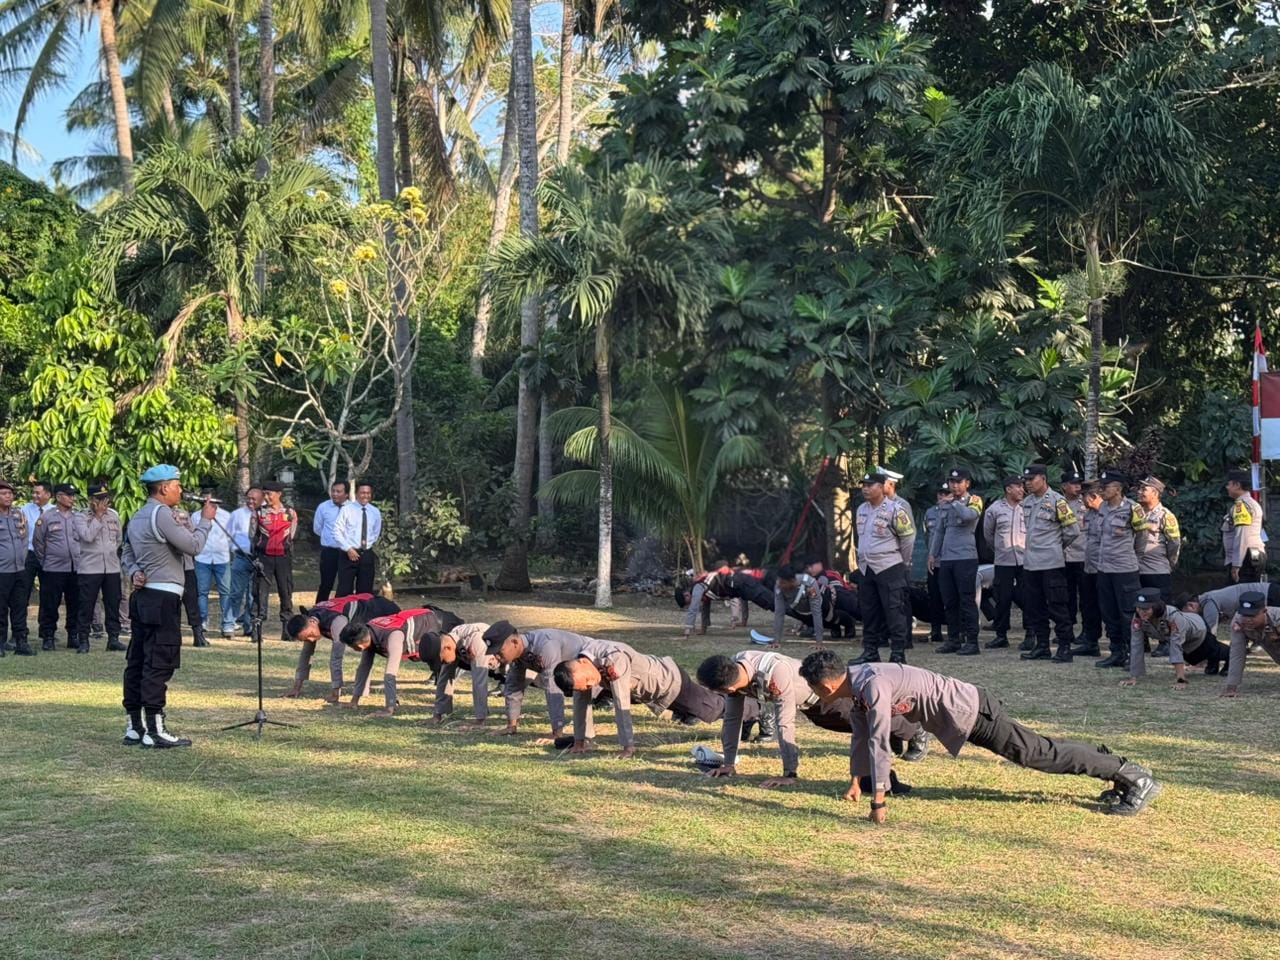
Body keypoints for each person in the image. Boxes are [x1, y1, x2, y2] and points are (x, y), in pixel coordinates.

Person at [797, 649, 1161, 823]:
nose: (816, 696)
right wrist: (857, 782)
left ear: (827, 684)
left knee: (1037, 754)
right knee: (1039, 750)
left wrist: (879, 803)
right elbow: (861, 735)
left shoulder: (871, 685)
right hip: (968, 710)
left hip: (974, 713)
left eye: (815, 689)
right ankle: (1118, 770)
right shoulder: (858, 681)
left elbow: (878, 741)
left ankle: (1131, 775)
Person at [695, 651, 922, 789]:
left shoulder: (776, 674)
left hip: (825, 695)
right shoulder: (734, 672)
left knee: (860, 719)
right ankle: (898, 733)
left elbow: (785, 723)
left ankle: (914, 731)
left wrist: (789, 774)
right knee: (840, 724)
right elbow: (732, 720)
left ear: (728, 687)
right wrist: (729, 763)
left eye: (722, 693)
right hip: (809, 704)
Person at [120, 465, 217, 748]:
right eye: (177, 485)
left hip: (144, 597)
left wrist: (134, 569)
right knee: (158, 661)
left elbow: (125, 550)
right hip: (162, 597)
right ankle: (155, 728)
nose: (181, 490)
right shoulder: (161, 514)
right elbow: (194, 546)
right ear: (163, 488)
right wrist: (206, 521)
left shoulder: (138, 515)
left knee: (138, 659)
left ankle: (134, 725)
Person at [555, 639, 759, 758]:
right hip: (644, 692)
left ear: (582, 663)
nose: (591, 686)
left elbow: (621, 704)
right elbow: (581, 702)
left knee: (713, 709)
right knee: (698, 709)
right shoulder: (581, 665)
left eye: (590, 682)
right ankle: (686, 714)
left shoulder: (613, 660)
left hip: (669, 683)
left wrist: (628, 747)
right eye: (587, 686)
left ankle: (755, 710)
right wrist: (581, 741)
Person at [339, 606, 462, 716]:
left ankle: (446, 710)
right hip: (429, 621)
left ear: (358, 646)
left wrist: (389, 708)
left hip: (442, 624)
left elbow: (390, 674)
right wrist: (354, 701)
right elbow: (364, 668)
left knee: (453, 664)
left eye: (351, 646)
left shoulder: (393, 637)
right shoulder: (368, 632)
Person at [485, 620, 597, 740]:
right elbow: (514, 686)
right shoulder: (518, 653)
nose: (496, 657)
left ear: (515, 642)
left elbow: (553, 688)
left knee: (606, 696)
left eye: (499, 652)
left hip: (594, 660)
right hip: (572, 673)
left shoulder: (546, 646)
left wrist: (557, 732)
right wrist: (511, 725)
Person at [281, 592, 400, 700]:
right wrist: (296, 688)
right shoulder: (310, 619)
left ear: (312, 622)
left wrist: (335, 692)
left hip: (381, 609)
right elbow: (306, 655)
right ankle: (362, 692)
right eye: (306, 639)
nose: (311, 639)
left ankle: (374, 694)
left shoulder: (337, 622)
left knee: (370, 648)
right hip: (367, 612)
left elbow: (336, 658)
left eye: (310, 635)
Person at [1018, 464, 1080, 663]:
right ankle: (1042, 645)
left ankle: (1064, 647)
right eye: (1026, 480)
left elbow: (1072, 530)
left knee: (1058, 606)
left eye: (1031, 479)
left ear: (1043, 478)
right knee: (1035, 608)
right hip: (1030, 564)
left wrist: (1055, 546)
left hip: (1051, 564)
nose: (1028, 483)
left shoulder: (1057, 501)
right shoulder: (1026, 502)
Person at [1094, 471, 1146, 670]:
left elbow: (1142, 536)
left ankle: (1134, 655)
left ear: (1118, 488)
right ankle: (1116, 652)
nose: (1102, 491)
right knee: (1109, 613)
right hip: (1104, 568)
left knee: (1128, 614)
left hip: (1125, 568)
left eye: (1106, 487)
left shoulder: (1133, 509)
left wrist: (1136, 557)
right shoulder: (1102, 508)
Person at [1120, 589, 1223, 688]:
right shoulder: (1138, 618)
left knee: (1219, 653)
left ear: (1155, 607)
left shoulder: (1172, 617)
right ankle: (1212, 664)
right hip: (1182, 641)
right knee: (1192, 659)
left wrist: (1181, 680)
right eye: (1139, 608)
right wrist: (1134, 677)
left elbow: (1175, 645)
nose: (1141, 612)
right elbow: (1136, 645)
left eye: (1146, 609)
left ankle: (1222, 662)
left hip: (1199, 632)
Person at [928, 468, 982, 656]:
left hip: (965, 557)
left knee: (966, 599)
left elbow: (969, 516)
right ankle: (953, 639)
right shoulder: (944, 505)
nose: (955, 485)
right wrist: (933, 554)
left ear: (967, 483)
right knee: (949, 601)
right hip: (947, 559)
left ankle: (972, 640)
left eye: (959, 482)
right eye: (952, 482)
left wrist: (955, 503)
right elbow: (939, 531)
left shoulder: (974, 500)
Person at [73, 482, 125, 654]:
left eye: (106, 498)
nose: (104, 502)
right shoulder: (81, 517)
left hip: (111, 567)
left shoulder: (114, 515)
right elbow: (87, 536)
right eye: (100, 499)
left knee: (113, 602)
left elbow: (118, 539)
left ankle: (114, 638)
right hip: (90, 568)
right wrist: (98, 516)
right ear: (91, 500)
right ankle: (83, 640)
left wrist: (109, 551)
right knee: (86, 604)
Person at [33, 483, 81, 650]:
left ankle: (73, 635)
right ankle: (48, 637)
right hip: (53, 569)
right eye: (69, 495)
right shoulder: (47, 517)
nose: (72, 499)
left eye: (73, 495)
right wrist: (46, 561)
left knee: (74, 603)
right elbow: (38, 542)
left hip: (74, 568)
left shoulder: (77, 517)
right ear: (59, 497)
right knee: (50, 605)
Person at [677, 563, 784, 637]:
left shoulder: (698, 587)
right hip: (742, 587)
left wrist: (687, 630)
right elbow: (706, 608)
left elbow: (693, 608)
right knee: (774, 601)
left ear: (686, 595)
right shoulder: (705, 591)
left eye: (688, 603)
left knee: (775, 599)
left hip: (753, 578)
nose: (690, 604)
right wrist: (703, 629)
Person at [982, 476, 1025, 649]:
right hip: (1003, 560)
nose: (1022, 490)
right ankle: (1001, 635)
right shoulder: (994, 509)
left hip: (1025, 559)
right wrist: (1000, 549)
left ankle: (1030, 635)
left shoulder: (1027, 507)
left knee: (1027, 597)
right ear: (1008, 489)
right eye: (1018, 487)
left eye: (1023, 486)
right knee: (1002, 598)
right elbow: (988, 535)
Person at [250, 481, 297, 640]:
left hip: (283, 558)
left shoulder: (290, 512)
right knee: (260, 593)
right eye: (265, 494)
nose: (267, 497)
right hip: (264, 558)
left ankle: (287, 630)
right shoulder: (258, 513)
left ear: (279, 494)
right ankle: (256, 630)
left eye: (270, 494)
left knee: (286, 592)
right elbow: (252, 535)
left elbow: (292, 536)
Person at [433, 623, 499, 724]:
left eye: (443, 660)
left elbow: (479, 682)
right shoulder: (451, 640)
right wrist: (438, 714)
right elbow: (444, 678)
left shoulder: (477, 642)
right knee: (445, 671)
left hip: (504, 665)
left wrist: (480, 720)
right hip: (484, 659)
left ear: (448, 648)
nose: (443, 662)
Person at [192, 485, 235, 639]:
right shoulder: (196, 516)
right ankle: (203, 621)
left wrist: (226, 549)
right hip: (202, 558)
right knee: (202, 592)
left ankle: (228, 624)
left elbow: (231, 536)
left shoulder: (226, 516)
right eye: (205, 500)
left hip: (222, 558)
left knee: (226, 592)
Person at [1069, 482, 1106, 658]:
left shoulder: (1111, 512)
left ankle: (1120, 647)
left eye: (1084, 496)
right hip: (1089, 566)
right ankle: (1091, 642)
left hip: (1107, 568)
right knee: (1088, 606)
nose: (1081, 499)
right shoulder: (1089, 514)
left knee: (1109, 608)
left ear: (1093, 497)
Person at [1221, 590, 1280, 697]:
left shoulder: (1278, 617)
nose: (1248, 620)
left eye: (1252, 616)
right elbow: (1237, 654)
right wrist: (1231, 687)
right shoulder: (1238, 622)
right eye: (1245, 615)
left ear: (1264, 611)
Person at [0, 480, 33, 657]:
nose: (8, 497)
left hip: (19, 569)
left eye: (10, 494)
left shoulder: (17, 514)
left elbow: (24, 537)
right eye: (4, 494)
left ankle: (21, 642)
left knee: (20, 607)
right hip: (1, 571)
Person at [1134, 476, 1181, 599]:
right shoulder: (1136, 514)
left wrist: (1171, 562)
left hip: (1156, 571)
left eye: (1144, 489)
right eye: (1139, 488)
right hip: (1136, 570)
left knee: (1159, 608)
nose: (1139, 492)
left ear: (1155, 493)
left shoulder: (1165, 516)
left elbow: (1174, 543)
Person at [334, 481, 382, 596]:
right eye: (362, 493)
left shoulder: (375, 512)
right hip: (348, 554)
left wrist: (366, 546)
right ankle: (343, 613)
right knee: (344, 590)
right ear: (356, 494)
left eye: (368, 493)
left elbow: (376, 532)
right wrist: (348, 549)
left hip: (366, 555)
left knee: (365, 591)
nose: (365, 495)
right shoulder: (347, 509)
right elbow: (337, 531)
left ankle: (363, 613)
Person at [1183, 581, 1280, 638]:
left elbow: (1211, 632)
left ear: (1190, 605)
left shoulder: (1209, 602)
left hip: (1268, 595)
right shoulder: (1210, 597)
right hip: (1268, 590)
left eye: (1187, 615)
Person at [226, 487, 262, 635]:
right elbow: (228, 533)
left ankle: (249, 626)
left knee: (253, 595)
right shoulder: (237, 514)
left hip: (259, 559)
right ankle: (228, 623)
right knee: (236, 593)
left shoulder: (264, 515)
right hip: (241, 558)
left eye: (254, 499)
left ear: (261, 499)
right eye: (248, 498)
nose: (250, 501)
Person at [1221, 470, 1265, 584]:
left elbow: (1242, 535)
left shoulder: (1241, 506)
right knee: (1251, 593)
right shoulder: (1251, 503)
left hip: (1245, 558)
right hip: (1252, 555)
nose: (1227, 487)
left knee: (1241, 595)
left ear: (1237, 485)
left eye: (1229, 484)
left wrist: (1236, 564)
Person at [923, 481, 952, 644]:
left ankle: (955, 630)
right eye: (940, 493)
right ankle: (935, 630)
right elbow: (928, 535)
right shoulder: (930, 513)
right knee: (934, 597)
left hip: (951, 560)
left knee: (952, 598)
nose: (942, 496)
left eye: (946, 493)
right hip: (934, 562)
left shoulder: (955, 511)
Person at [1061, 471, 1088, 642]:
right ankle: (1067, 630)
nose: (1078, 487)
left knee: (1085, 597)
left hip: (1082, 556)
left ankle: (1086, 631)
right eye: (1073, 483)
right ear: (1064, 486)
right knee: (1065, 596)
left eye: (1079, 483)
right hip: (1062, 558)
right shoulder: (1056, 503)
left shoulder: (1086, 504)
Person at [312, 480, 349, 602]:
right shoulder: (323, 507)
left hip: (347, 552)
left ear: (346, 494)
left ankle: (342, 610)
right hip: (329, 551)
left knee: (345, 584)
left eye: (339, 491)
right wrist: (329, 538)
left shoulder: (352, 508)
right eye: (333, 491)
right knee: (326, 583)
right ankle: (318, 612)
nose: (335, 494)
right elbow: (318, 528)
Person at [20, 480, 53, 601]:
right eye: (33, 493)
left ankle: (45, 620)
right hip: (30, 554)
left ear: (48, 495)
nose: (34, 496)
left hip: (48, 555)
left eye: (38, 493)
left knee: (47, 591)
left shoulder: (54, 511)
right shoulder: (24, 510)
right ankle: (20, 619)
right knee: (23, 590)